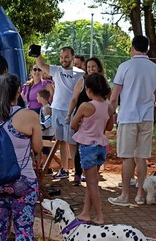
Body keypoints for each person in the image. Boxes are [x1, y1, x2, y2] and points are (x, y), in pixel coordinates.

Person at [0, 74, 47, 241]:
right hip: (24, 182)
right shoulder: (29, 116)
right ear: (17, 93)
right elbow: (38, 148)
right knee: (23, 229)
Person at [107, 35, 156, 207]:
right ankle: (140, 195)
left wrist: (111, 114)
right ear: (147, 48)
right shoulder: (154, 68)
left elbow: (114, 97)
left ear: (132, 47)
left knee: (127, 157)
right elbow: (155, 95)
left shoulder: (125, 66)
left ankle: (124, 196)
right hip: (146, 116)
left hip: (128, 116)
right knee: (142, 156)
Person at [71, 73, 115, 224]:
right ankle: (85, 212)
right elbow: (109, 127)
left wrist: (82, 125)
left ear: (88, 90)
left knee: (91, 183)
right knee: (93, 181)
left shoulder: (86, 106)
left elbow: (72, 124)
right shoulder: (108, 107)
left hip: (88, 146)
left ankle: (99, 216)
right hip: (101, 146)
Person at [35, 46, 84, 180]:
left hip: (71, 110)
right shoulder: (56, 70)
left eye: (67, 57)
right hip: (56, 109)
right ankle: (64, 169)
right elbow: (41, 64)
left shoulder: (80, 74)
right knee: (61, 141)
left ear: (72, 58)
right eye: (62, 57)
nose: (64, 60)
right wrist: (37, 53)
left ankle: (78, 172)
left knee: (73, 142)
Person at [66, 57, 106, 186]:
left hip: (97, 119)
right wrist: (69, 114)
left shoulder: (102, 83)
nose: (90, 69)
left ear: (98, 68)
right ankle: (79, 173)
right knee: (80, 146)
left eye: (93, 67)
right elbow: (74, 99)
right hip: (83, 117)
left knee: (95, 146)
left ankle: (91, 174)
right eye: (88, 67)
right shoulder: (82, 81)